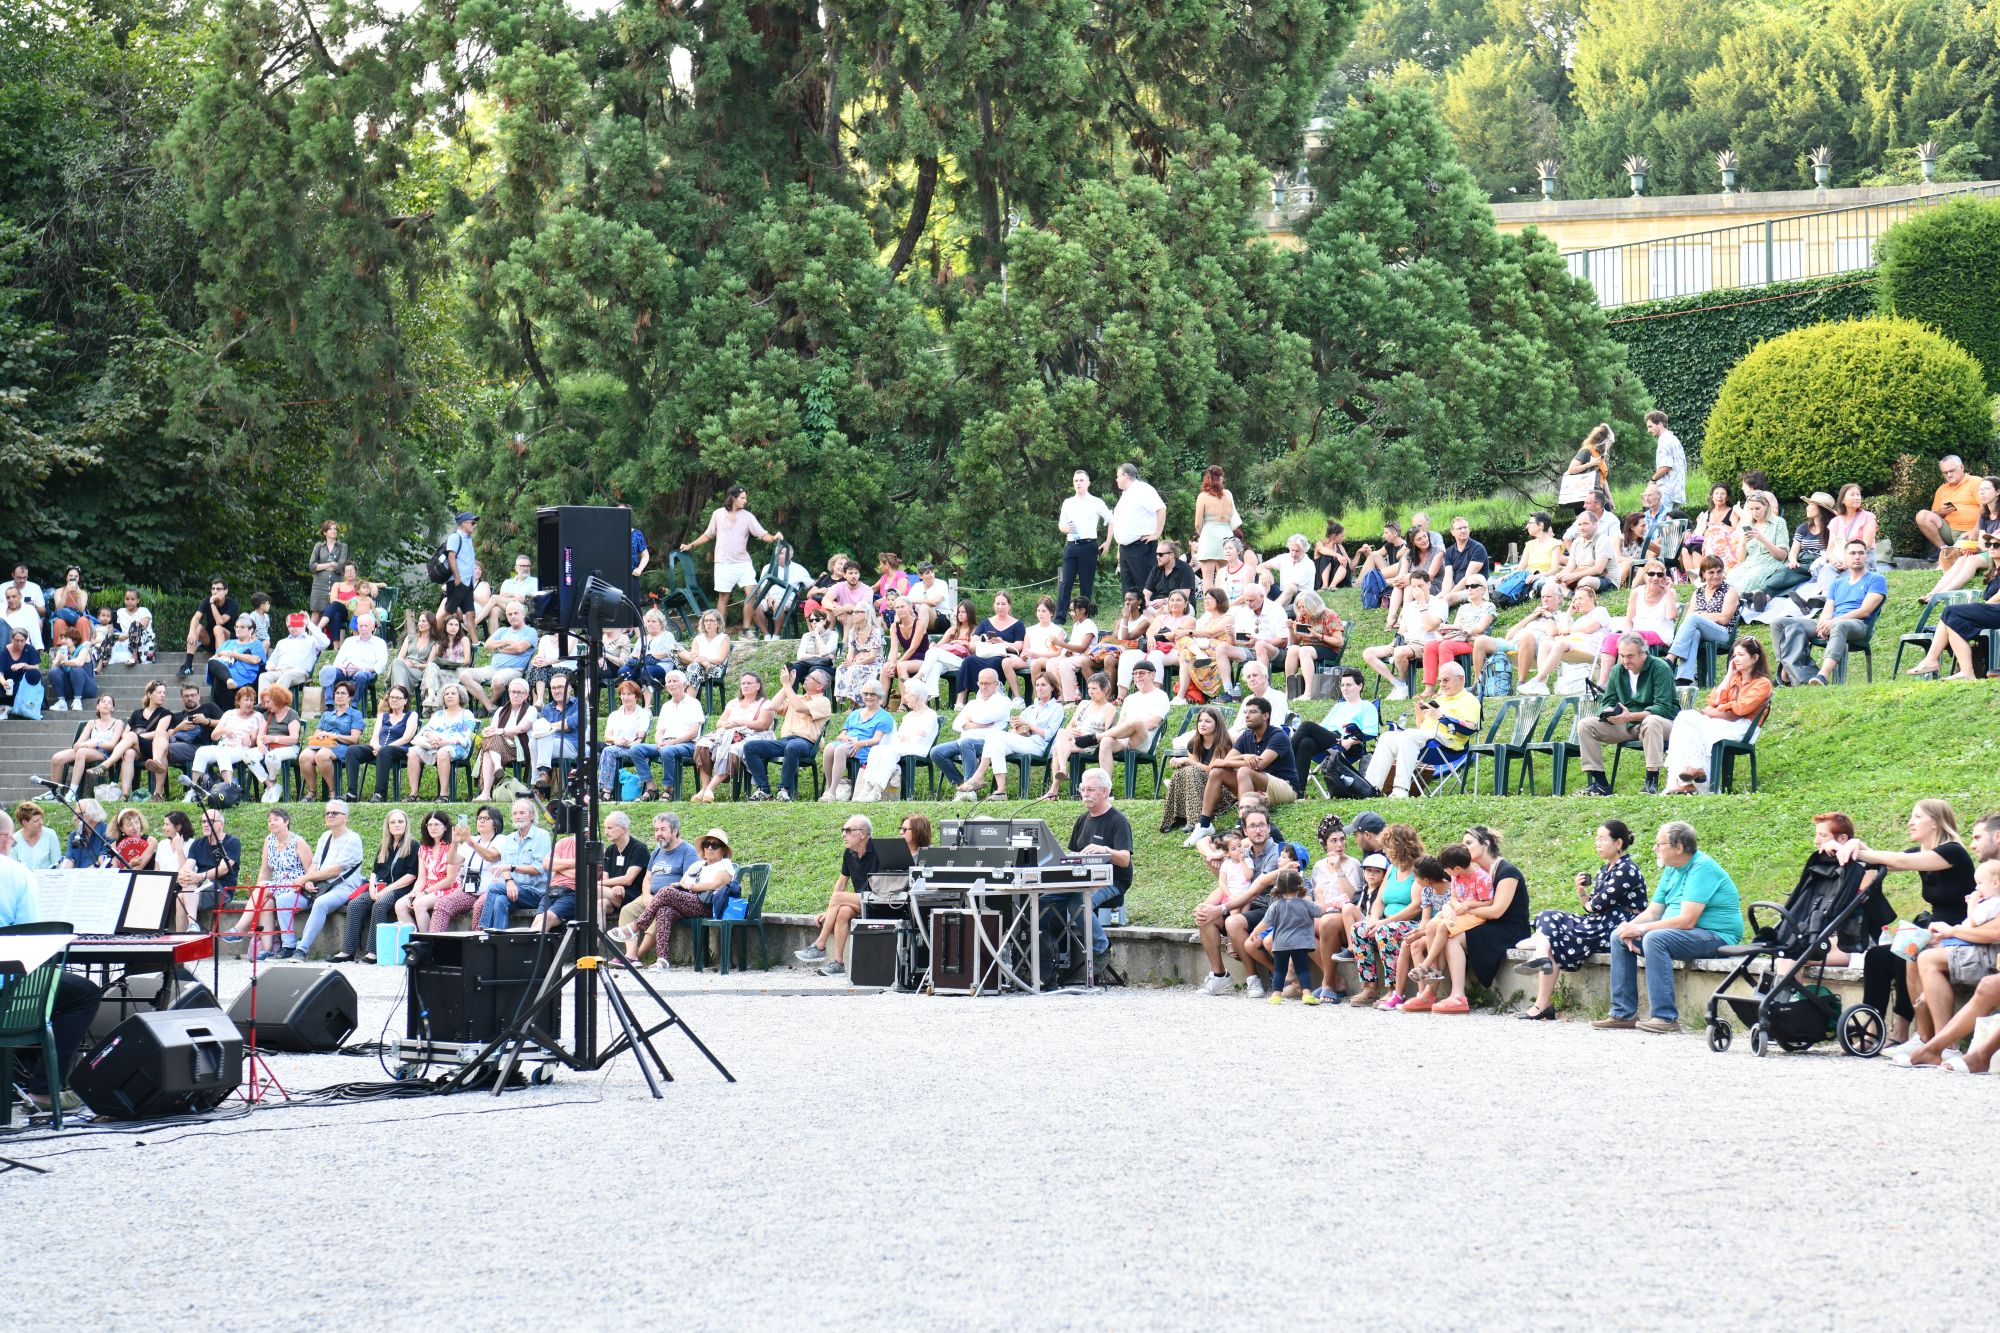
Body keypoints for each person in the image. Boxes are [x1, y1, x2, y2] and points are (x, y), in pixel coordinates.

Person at [1844, 800, 1976, 1050]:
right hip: (1933, 931)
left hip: (1958, 932)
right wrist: (1855, 845)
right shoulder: (1921, 852)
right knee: (1877, 956)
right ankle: (1872, 1030)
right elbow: (1886, 860)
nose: (1910, 822)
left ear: (1935, 822)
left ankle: (1903, 1032)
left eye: (1917, 817)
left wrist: (1856, 849)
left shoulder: (1953, 852)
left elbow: (1899, 862)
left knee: (1906, 951)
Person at [0, 810, 106, 1114]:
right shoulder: (17, 874)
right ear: (5, 840)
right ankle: (44, 1090)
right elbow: (33, 942)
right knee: (84, 994)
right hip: (7, 992)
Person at [1595, 821, 1744, 1033]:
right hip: (1683, 934)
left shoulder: (1702, 868)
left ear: (1679, 847)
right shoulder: (1672, 869)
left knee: (1655, 938)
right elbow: (1653, 912)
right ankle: (1623, 1013)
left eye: (1659, 844)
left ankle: (1665, 1018)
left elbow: (1687, 920)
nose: (1654, 848)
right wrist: (1628, 927)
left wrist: (1643, 930)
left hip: (1716, 936)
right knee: (1619, 936)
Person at [1511, 820, 1648, 1019]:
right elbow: (1590, 905)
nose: (1597, 844)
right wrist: (1581, 891)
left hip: (1615, 926)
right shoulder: (1604, 870)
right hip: (1598, 921)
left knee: (1548, 938)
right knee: (1547, 915)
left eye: (1602, 839)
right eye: (1597, 839)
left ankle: (1542, 996)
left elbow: (1597, 905)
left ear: (1618, 843)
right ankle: (1541, 954)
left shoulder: (1626, 869)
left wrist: (1591, 904)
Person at [1194, 808, 1286, 998]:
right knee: (1205, 917)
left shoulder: (1276, 853)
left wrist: (1221, 908)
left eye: (1262, 825)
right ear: (1245, 831)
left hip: (1268, 908)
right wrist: (1206, 907)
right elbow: (1228, 883)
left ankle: (1253, 978)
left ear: (1269, 828)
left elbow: (1254, 891)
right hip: (1243, 905)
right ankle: (1219, 975)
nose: (1258, 830)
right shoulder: (1242, 852)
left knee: (1233, 922)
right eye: (1252, 826)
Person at [1663, 638, 1773, 794]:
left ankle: (1690, 782)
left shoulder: (1762, 683)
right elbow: (1714, 700)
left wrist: (1715, 710)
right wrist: (1729, 675)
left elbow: (1741, 709)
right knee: (1683, 720)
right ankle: (1689, 775)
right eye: (1734, 655)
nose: (1736, 659)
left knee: (1691, 725)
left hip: (1744, 727)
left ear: (1755, 658)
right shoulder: (1735, 678)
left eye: (1741, 655)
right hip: (1724, 721)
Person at [616, 827, 734, 970]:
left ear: (723, 850)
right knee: (665, 910)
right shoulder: (698, 865)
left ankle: (635, 927)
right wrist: (686, 886)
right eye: (706, 844)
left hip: (708, 905)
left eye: (715, 845)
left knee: (666, 891)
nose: (709, 848)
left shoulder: (725, 865)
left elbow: (715, 884)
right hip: (691, 901)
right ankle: (662, 959)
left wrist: (692, 887)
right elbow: (683, 882)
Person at [1575, 633, 1679, 796]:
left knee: (1651, 721)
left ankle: (1651, 783)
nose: (1625, 661)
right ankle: (1601, 784)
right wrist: (1608, 711)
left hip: (1663, 724)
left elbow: (1663, 708)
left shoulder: (1660, 668)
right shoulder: (1617, 670)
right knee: (1586, 725)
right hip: (1629, 725)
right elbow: (1608, 701)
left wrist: (1630, 716)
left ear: (1643, 653)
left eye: (1630, 656)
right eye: (1622, 656)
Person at [1771, 539, 1884, 686]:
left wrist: (1833, 622)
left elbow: (1865, 611)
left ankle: (1822, 676)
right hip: (1833, 622)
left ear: (1866, 556)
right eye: (1853, 553)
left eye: (1861, 553)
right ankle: (1787, 671)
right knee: (1779, 623)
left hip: (1859, 625)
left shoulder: (1876, 579)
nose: (1857, 556)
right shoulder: (1837, 583)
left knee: (1840, 625)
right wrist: (1823, 623)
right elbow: (1828, 609)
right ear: (1845, 557)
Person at [1363, 662, 1479, 798]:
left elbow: (1470, 728)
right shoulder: (1440, 699)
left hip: (1448, 744)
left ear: (1460, 679)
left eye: (1446, 680)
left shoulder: (1469, 700)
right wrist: (1420, 713)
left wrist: (1442, 717)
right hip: (1427, 740)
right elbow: (1421, 727)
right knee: (1387, 737)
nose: (1442, 685)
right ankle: (1371, 788)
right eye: (1440, 681)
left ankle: (1401, 789)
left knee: (1409, 735)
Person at [679, 484, 782, 635]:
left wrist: (773, 538)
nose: (745, 501)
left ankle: (746, 630)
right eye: (742, 498)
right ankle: (719, 632)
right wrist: (691, 545)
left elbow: (761, 534)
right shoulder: (717, 514)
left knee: (752, 593)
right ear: (733, 498)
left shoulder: (748, 516)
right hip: (723, 563)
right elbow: (708, 534)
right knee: (723, 597)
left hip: (743, 563)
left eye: (745, 498)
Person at [1346, 824, 1424, 1007]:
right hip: (1388, 921)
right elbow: (1379, 901)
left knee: (1385, 931)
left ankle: (1393, 989)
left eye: (1388, 847)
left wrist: (1385, 922)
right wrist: (1373, 919)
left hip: (1413, 923)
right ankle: (1369, 987)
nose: (1385, 851)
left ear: (1400, 847)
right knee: (1359, 929)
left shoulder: (1419, 868)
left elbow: (1416, 906)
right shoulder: (1392, 869)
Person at [794, 815, 881, 977]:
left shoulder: (879, 850)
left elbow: (884, 886)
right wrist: (830, 912)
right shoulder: (849, 853)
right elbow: (841, 882)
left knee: (837, 898)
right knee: (842, 912)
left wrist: (829, 910)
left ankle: (820, 945)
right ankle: (838, 963)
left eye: (848, 830)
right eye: (843, 830)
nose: (843, 834)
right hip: (860, 901)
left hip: (879, 899)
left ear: (863, 833)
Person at [331, 808, 421, 962]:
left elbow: (411, 876)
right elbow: (375, 871)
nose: (397, 825)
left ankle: (374, 952)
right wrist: (372, 887)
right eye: (393, 822)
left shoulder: (413, 845)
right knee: (355, 904)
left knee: (380, 905)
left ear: (406, 824)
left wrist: (386, 890)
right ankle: (348, 951)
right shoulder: (384, 846)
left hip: (400, 889)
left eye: (400, 821)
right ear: (388, 826)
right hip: (380, 887)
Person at [286, 800, 370, 960]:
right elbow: (315, 864)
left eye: (334, 813)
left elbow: (335, 871)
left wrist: (306, 878)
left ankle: (301, 949)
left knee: (321, 903)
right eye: (327, 813)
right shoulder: (325, 837)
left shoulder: (353, 839)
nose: (330, 815)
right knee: (284, 900)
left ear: (345, 817)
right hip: (320, 886)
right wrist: (308, 881)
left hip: (343, 887)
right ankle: (287, 946)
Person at [610, 812, 701, 950]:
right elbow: (647, 878)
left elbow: (686, 881)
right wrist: (647, 895)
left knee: (660, 912)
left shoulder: (688, 851)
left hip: (672, 900)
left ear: (675, 831)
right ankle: (631, 953)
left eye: (663, 829)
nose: (658, 834)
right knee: (627, 910)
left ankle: (637, 956)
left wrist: (659, 898)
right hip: (650, 896)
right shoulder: (657, 851)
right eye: (656, 830)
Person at [1910, 546, 2000, 681]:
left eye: (1997, 544)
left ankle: (1932, 660)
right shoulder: (1994, 573)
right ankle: (1966, 672)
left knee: (1951, 612)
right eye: (1988, 543)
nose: (1991, 547)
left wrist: (1979, 608)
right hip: (1992, 612)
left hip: (1996, 611)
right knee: (1952, 620)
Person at [743, 669, 832, 801]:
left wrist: (787, 685)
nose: (806, 678)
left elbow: (799, 708)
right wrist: (787, 685)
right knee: (751, 747)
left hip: (806, 743)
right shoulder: (797, 698)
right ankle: (764, 790)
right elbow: (773, 706)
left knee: (793, 746)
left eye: (811, 677)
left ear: (819, 686)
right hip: (785, 741)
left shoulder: (823, 701)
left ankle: (784, 790)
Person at [688, 673, 776, 803]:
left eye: (749, 683)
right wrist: (729, 726)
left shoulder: (765, 703)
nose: (745, 686)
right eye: (743, 683)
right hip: (729, 734)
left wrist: (739, 723)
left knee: (733, 748)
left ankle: (711, 788)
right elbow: (719, 723)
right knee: (704, 743)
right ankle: (705, 787)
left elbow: (762, 724)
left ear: (758, 686)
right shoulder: (733, 703)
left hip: (754, 737)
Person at [854, 678, 940, 801]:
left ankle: (877, 791)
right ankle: (867, 789)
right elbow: (898, 737)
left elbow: (919, 739)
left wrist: (908, 736)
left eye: (907, 694)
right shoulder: (908, 717)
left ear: (916, 695)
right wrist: (909, 735)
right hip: (902, 747)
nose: (904, 698)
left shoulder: (930, 715)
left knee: (890, 752)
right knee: (876, 750)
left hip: (920, 749)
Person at [471, 797, 551, 930]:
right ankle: (498, 937)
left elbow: (538, 869)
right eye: (515, 813)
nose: (518, 816)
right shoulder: (510, 838)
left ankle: (483, 930)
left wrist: (512, 868)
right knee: (500, 901)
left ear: (532, 816)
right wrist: (509, 881)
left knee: (493, 888)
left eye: (522, 813)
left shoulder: (541, 836)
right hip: (515, 890)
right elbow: (505, 866)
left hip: (537, 893)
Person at [934, 668, 1014, 793]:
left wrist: (969, 720)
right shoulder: (973, 703)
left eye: (987, 683)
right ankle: (963, 783)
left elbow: (984, 718)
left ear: (996, 684)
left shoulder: (1003, 702)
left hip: (987, 742)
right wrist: (979, 724)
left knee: (967, 743)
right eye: (981, 683)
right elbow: (956, 724)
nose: (983, 687)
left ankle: (970, 791)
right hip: (964, 740)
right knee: (936, 752)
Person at [423, 806, 500, 932]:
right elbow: (452, 860)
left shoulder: (501, 840)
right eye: (479, 818)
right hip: (469, 890)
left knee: (479, 907)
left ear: (496, 822)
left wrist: (469, 840)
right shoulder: (474, 840)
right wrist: (455, 843)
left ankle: (477, 942)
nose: (481, 821)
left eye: (486, 818)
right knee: (442, 905)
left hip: (490, 890)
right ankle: (436, 942)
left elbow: (491, 856)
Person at [1665, 556, 1740, 685]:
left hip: (1724, 633)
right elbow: (1689, 619)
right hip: (1702, 630)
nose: (1716, 576)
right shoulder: (1698, 592)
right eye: (1711, 572)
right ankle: (1684, 679)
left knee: (1694, 618)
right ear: (1703, 574)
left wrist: (1703, 615)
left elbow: (1724, 618)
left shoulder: (1730, 591)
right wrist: (1703, 616)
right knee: (1694, 633)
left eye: (1719, 571)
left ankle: (1671, 658)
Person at [819, 679, 895, 801]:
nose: (868, 697)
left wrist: (860, 743)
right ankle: (828, 788)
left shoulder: (885, 717)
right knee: (829, 748)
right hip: (848, 742)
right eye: (866, 694)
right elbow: (841, 734)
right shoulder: (855, 713)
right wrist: (843, 737)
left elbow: (876, 739)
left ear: (879, 696)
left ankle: (832, 792)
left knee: (840, 750)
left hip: (866, 746)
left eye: (872, 694)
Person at [1160, 704, 1231, 833]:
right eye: (1200, 721)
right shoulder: (1194, 742)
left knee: (1191, 770)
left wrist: (1187, 761)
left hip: (1220, 788)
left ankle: (1195, 820)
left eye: (1208, 721)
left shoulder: (1224, 743)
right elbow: (1195, 770)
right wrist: (1180, 763)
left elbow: (1213, 771)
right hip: (1199, 786)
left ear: (1217, 724)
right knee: (1182, 772)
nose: (1202, 724)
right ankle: (1177, 817)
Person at [459, 602, 538, 712]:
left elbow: (520, 648)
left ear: (523, 614)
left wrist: (499, 649)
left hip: (515, 670)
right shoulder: (502, 631)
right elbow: (487, 645)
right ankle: (489, 706)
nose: (513, 616)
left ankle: (489, 705)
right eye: (510, 614)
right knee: (464, 675)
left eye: (516, 613)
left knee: (497, 679)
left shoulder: (530, 632)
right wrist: (506, 642)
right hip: (493, 668)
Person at [47, 693, 126, 801]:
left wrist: (96, 744)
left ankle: (72, 792)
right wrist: (80, 745)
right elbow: (78, 743)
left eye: (109, 703)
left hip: (104, 752)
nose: (106, 704)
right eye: (103, 702)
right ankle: (53, 792)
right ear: (97, 706)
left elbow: (112, 745)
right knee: (57, 758)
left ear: (113, 708)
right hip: (88, 748)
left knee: (82, 752)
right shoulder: (91, 723)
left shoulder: (117, 723)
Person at [297, 680, 364, 801]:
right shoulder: (327, 715)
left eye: (343, 693)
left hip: (343, 746)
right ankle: (312, 792)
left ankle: (333, 793)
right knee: (304, 756)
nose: (339, 696)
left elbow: (354, 739)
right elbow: (317, 733)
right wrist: (320, 736)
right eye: (337, 693)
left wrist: (333, 735)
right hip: (323, 744)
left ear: (350, 697)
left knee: (322, 755)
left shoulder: (355, 714)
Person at [644, 670, 706, 801]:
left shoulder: (694, 703)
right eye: (669, 682)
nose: (671, 684)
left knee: (667, 750)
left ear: (684, 684)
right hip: (666, 743)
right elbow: (659, 731)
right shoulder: (666, 706)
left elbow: (694, 732)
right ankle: (651, 786)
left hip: (688, 745)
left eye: (675, 681)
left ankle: (668, 789)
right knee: (636, 749)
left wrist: (671, 743)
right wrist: (659, 742)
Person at [405, 683, 475, 799]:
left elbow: (465, 737)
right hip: (434, 745)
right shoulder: (438, 714)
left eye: (453, 693)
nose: (449, 696)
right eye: (446, 694)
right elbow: (425, 730)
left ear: (460, 697)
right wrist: (431, 736)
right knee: (412, 752)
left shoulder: (467, 714)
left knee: (443, 752)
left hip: (457, 746)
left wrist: (445, 743)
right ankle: (414, 793)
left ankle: (443, 794)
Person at [189, 686, 267, 787]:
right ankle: (194, 788)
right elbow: (214, 736)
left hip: (241, 749)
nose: (249, 703)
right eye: (246, 700)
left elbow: (253, 744)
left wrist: (250, 737)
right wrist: (224, 730)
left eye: (251, 700)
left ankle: (229, 789)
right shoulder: (229, 714)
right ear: (238, 701)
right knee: (201, 751)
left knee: (223, 753)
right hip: (223, 746)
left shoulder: (257, 716)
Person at [176, 807, 240, 931]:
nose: (205, 824)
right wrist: (184, 875)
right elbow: (188, 865)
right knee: (181, 895)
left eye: (210, 821)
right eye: (203, 821)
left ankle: (192, 926)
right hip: (201, 886)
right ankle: (185, 934)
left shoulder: (232, 842)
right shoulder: (197, 844)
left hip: (222, 888)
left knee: (183, 896)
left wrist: (199, 876)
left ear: (221, 825)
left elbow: (223, 869)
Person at [1110, 461, 1168, 598]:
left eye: (1118, 476)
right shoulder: (1125, 494)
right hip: (1125, 549)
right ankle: (1132, 612)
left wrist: (1157, 533)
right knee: (1128, 589)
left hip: (1140, 546)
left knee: (1145, 586)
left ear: (1125, 475)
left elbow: (1161, 508)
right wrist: (1119, 547)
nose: (1116, 480)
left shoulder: (1143, 490)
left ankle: (1151, 610)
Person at [471, 678, 536, 800]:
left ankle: (486, 792)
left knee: (490, 746)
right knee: (490, 743)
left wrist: (501, 731)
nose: (515, 695)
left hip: (519, 748)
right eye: (513, 692)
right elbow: (493, 729)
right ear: (509, 693)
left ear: (526, 695)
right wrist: (486, 731)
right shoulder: (501, 711)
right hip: (499, 747)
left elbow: (521, 729)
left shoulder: (531, 710)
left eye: (519, 692)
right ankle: (496, 770)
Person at [955, 592, 1025, 700]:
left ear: (1009, 606)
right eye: (997, 604)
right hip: (985, 653)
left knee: (995, 662)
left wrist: (1002, 642)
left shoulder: (1018, 624)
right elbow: (973, 643)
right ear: (993, 605)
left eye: (1003, 604)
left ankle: (990, 696)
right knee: (968, 660)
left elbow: (1018, 646)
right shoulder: (985, 623)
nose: (1000, 607)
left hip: (1003, 655)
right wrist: (983, 643)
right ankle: (960, 701)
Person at [595, 679, 657, 800]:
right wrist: (616, 740)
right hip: (615, 745)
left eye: (629, 694)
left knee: (608, 751)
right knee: (591, 752)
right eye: (623, 694)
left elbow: (640, 739)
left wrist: (628, 744)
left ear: (636, 697)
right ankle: (589, 789)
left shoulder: (642, 714)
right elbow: (607, 736)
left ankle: (606, 791)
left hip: (632, 749)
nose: (625, 697)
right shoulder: (614, 715)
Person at [1915, 454, 1984, 561]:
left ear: (1961, 467)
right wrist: (1941, 512)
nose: (1949, 475)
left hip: (1971, 531)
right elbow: (1934, 515)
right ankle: (1944, 550)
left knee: (1962, 552)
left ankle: (1955, 553)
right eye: (1945, 472)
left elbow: (1986, 508)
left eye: (1952, 471)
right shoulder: (1942, 489)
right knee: (1922, 515)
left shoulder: (1976, 482)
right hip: (1949, 531)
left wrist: (1976, 529)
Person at [1283, 590, 1345, 699]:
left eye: (1304, 607)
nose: (1301, 610)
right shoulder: (1301, 617)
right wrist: (1291, 630)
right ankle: (1289, 691)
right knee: (1293, 649)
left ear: (1313, 605)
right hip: (1309, 648)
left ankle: (1308, 692)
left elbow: (1339, 642)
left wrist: (1318, 635)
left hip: (1329, 649)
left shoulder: (1329, 615)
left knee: (1304, 650)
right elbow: (1295, 643)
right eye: (1299, 607)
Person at [175, 577, 238, 678]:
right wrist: (191, 631)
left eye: (218, 589)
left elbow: (220, 621)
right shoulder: (206, 601)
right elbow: (196, 617)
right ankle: (188, 665)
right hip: (211, 640)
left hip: (228, 642)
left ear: (226, 591)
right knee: (197, 627)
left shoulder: (232, 604)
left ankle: (220, 663)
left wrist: (212, 603)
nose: (215, 591)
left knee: (217, 628)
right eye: (213, 589)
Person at [1191, 465, 1238, 588]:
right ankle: (1224, 599)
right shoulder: (1228, 494)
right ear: (1220, 478)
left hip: (1209, 535)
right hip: (1226, 534)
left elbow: (1198, 523)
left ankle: (1209, 601)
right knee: (1224, 577)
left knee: (1208, 578)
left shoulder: (1203, 496)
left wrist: (1202, 534)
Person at [527, 671, 579, 782]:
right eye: (553, 688)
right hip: (548, 745)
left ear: (569, 688)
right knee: (533, 741)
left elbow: (570, 724)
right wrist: (547, 728)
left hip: (571, 746)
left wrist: (548, 727)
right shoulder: (547, 708)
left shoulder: (578, 704)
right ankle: (540, 778)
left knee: (542, 737)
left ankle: (539, 778)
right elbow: (540, 729)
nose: (556, 691)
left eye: (560, 687)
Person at [1436, 517, 1489, 605]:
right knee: (1437, 598)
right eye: (1459, 528)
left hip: (1473, 587)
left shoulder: (1478, 548)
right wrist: (1444, 593)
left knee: (1448, 599)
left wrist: (1450, 594)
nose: (1463, 530)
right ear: (1452, 532)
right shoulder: (1449, 551)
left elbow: (1468, 577)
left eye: (1465, 527)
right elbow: (1448, 577)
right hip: (1457, 586)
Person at [440, 511, 479, 627]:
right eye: (472, 522)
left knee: (470, 614)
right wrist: (457, 577)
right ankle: (431, 635)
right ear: (463, 523)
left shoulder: (468, 539)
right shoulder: (455, 537)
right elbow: (451, 557)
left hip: (467, 582)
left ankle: (474, 639)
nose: (475, 525)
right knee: (447, 613)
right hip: (458, 581)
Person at [7, 802, 64, 872]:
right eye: (36, 821)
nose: (41, 823)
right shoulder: (14, 839)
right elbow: (12, 869)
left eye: (41, 819)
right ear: (24, 823)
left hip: (48, 877)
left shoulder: (50, 834)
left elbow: (57, 864)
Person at [1646, 410, 1685, 511]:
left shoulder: (1665, 442)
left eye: (1650, 426)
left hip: (1667, 491)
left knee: (1662, 519)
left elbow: (1665, 466)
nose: (1648, 430)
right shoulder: (1674, 439)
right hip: (1677, 491)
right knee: (1674, 520)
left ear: (1660, 424)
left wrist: (1652, 480)